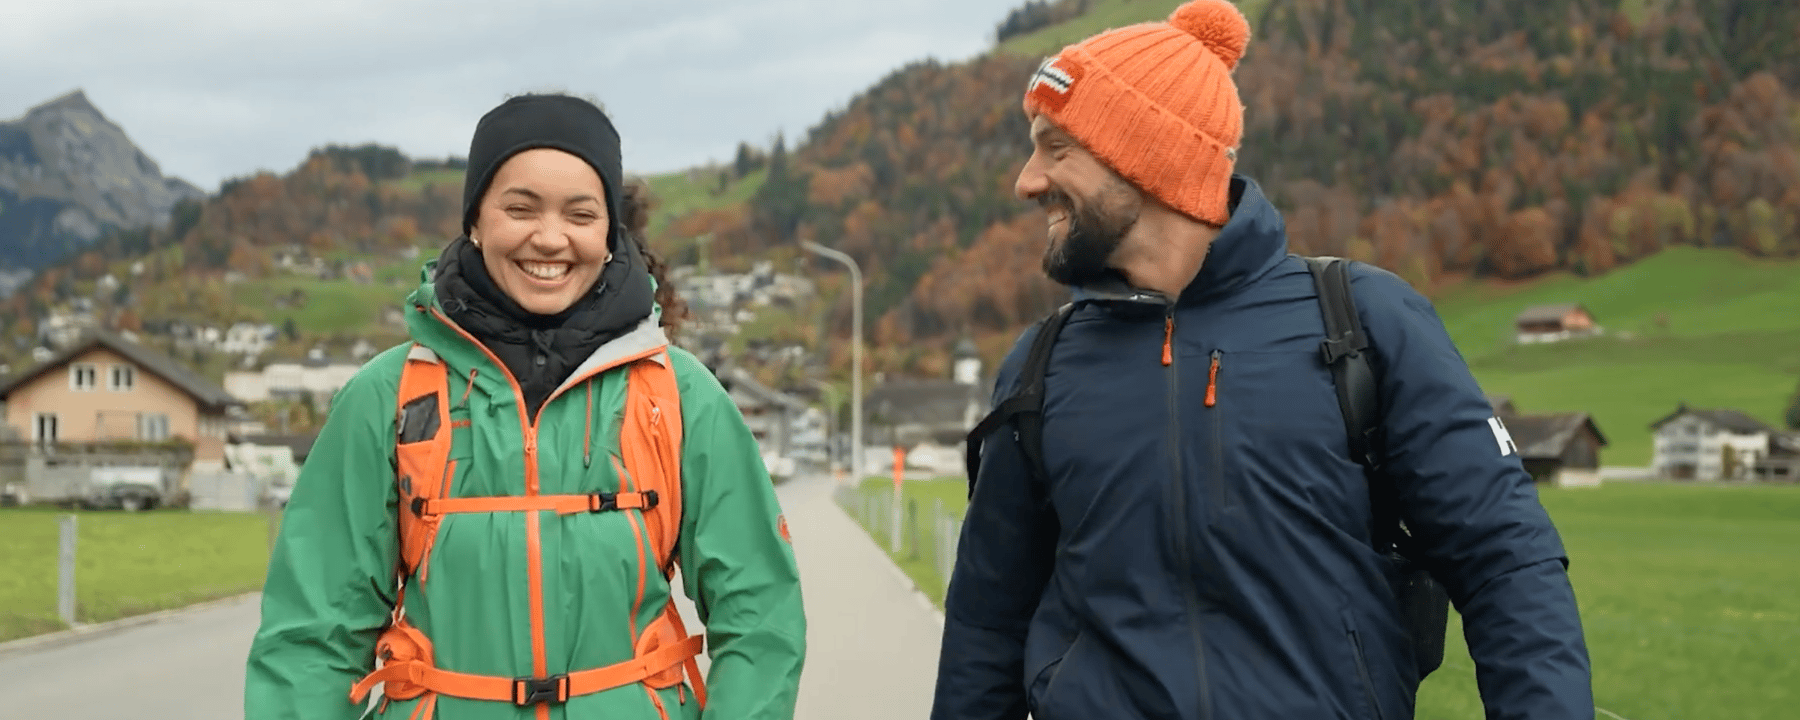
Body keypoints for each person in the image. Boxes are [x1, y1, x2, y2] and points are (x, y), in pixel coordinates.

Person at [932, 2, 1593, 719]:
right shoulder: (1041, 364)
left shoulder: (1366, 322)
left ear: (1148, 155)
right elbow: (984, 626)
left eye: (1056, 148)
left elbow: (1507, 564)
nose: (1028, 181)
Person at [245, 93, 806, 720]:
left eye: (580, 214)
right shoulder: (387, 396)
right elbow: (311, 635)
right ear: (476, 221)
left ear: (609, 233)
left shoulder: (680, 395)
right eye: (520, 208)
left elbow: (760, 618)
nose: (549, 238)